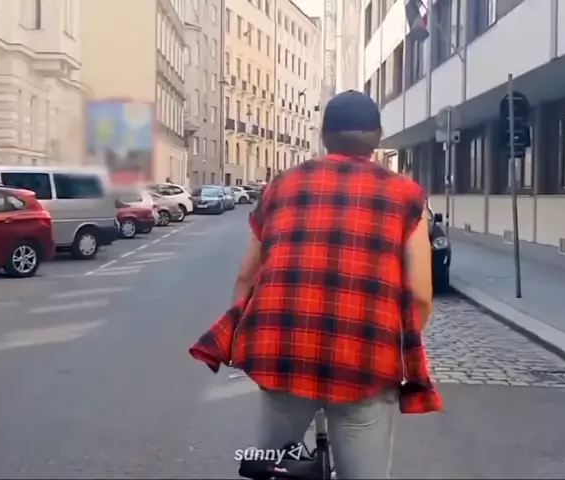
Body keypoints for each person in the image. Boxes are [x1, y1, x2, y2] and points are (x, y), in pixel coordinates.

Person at [189, 90, 442, 479]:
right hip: (364, 361)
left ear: (324, 136)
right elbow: (420, 296)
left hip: (283, 353)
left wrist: (244, 334)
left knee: (273, 467)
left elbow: (246, 276)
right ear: (377, 138)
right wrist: (397, 348)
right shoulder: (405, 195)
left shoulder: (282, 185)